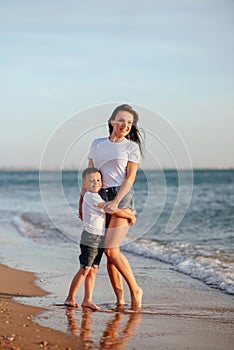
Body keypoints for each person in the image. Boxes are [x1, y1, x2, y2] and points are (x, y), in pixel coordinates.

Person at [80, 104, 144, 309]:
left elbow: (130, 177)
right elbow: (90, 173)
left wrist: (116, 202)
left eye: (129, 122)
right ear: (112, 121)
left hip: (120, 197)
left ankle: (135, 289)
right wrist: (82, 201)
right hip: (98, 196)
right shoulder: (97, 143)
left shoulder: (131, 147)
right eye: (122, 120)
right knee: (108, 252)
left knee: (111, 249)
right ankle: (120, 300)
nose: (125, 125)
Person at [65, 167, 136, 310]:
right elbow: (110, 208)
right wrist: (129, 215)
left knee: (93, 270)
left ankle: (87, 300)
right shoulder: (91, 197)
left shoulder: (96, 195)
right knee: (85, 269)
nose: (96, 183)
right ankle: (70, 298)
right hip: (90, 238)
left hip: (98, 237)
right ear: (84, 184)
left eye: (98, 180)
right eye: (91, 181)